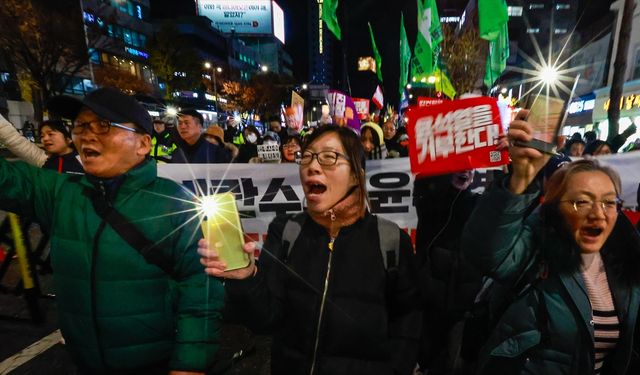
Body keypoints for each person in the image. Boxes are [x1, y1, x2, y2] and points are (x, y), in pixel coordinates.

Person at [0, 87, 223, 374]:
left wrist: (190, 366)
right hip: (83, 362)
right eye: (81, 126)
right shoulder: (59, 192)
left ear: (143, 144)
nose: (87, 135)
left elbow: (201, 291)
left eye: (103, 126)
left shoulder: (175, 203)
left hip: (154, 363)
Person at [200, 125, 423, 374]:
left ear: (355, 175)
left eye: (329, 157)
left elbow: (409, 321)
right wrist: (245, 277)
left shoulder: (390, 240)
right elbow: (265, 320)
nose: (312, 167)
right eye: (307, 156)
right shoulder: (286, 231)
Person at [461, 109, 640, 374]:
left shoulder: (627, 258)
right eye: (582, 201)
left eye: (608, 202)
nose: (598, 213)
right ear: (556, 207)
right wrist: (520, 178)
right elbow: (486, 252)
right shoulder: (538, 242)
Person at [413, 171, 484, 374]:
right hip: (429, 300)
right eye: (459, 164)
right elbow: (424, 182)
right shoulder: (430, 199)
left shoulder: (478, 204)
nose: (465, 171)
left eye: (470, 166)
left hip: (464, 304)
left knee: (454, 365)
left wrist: (508, 165)